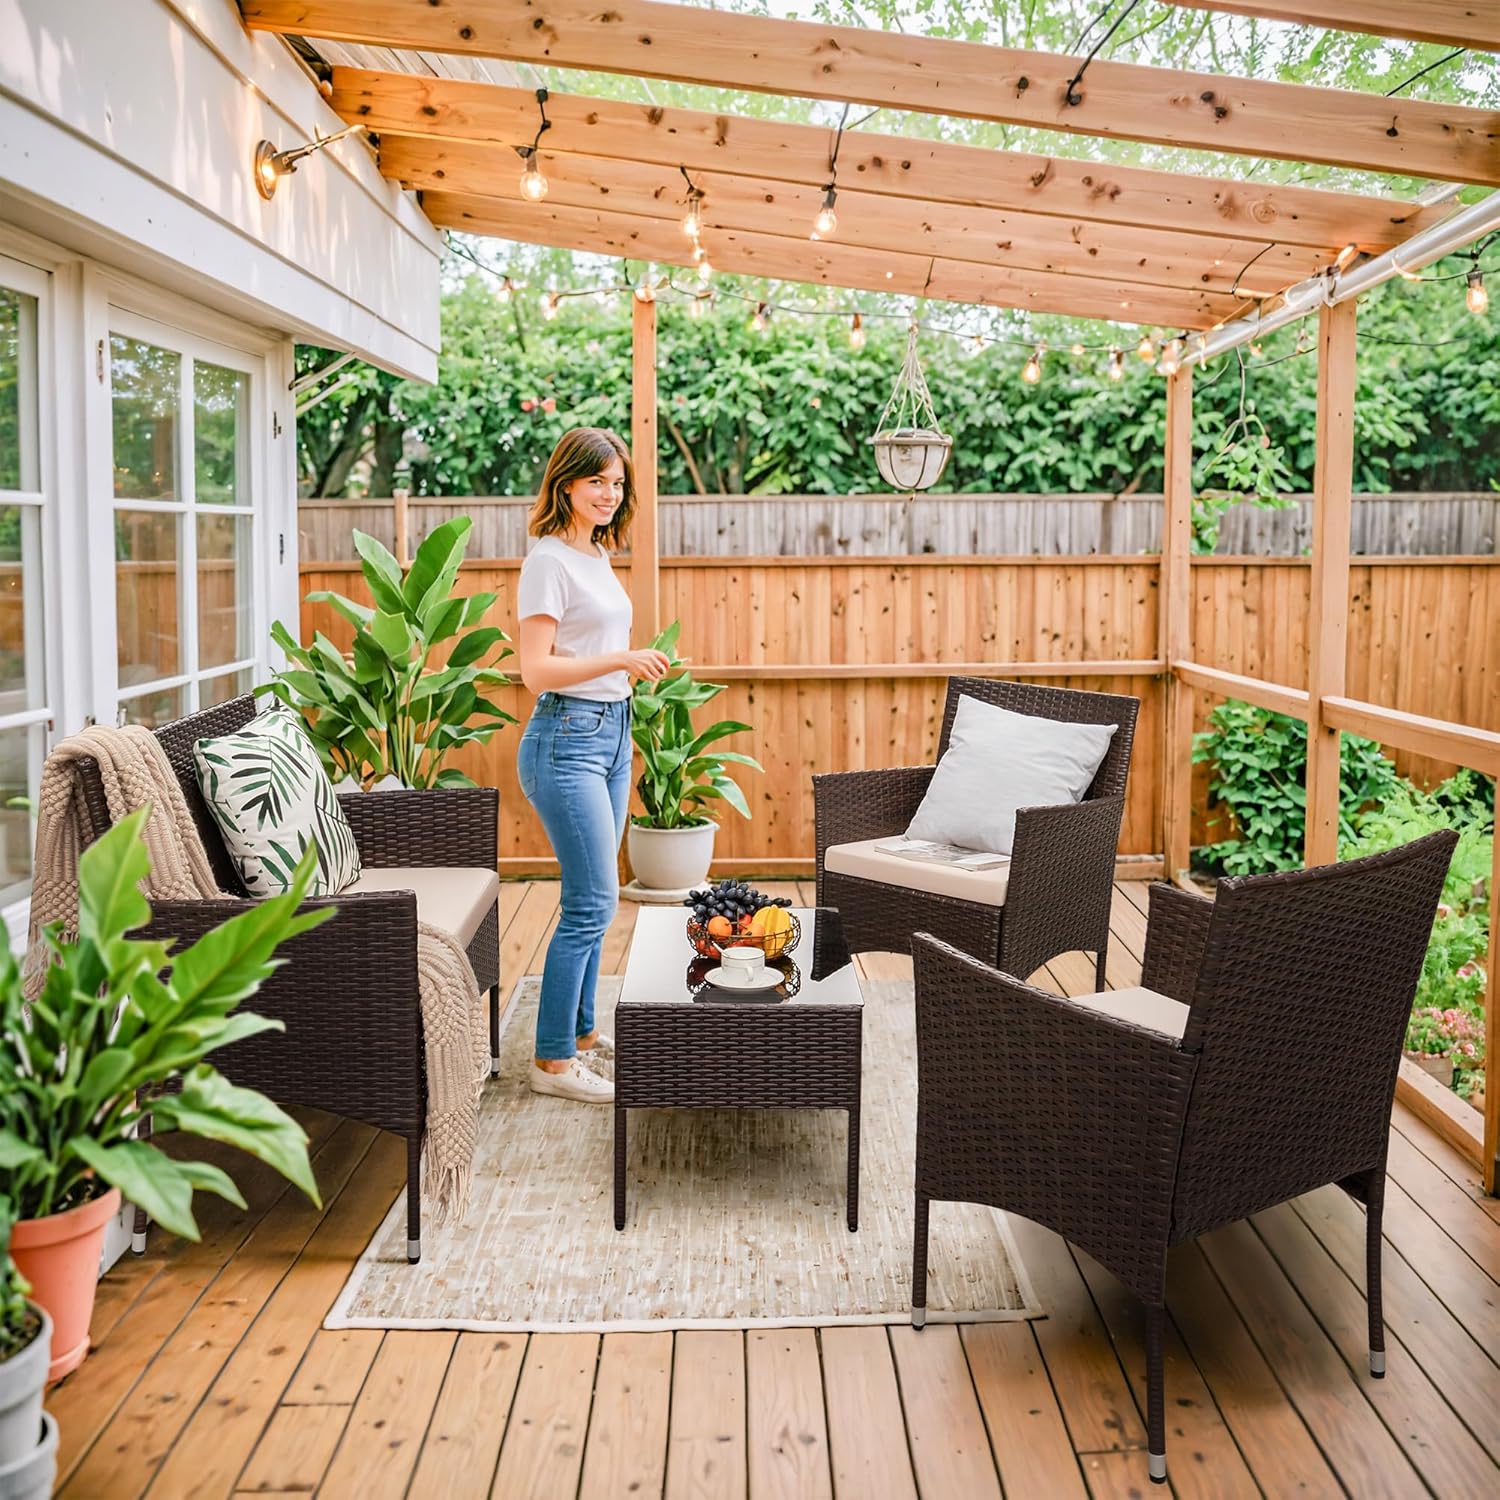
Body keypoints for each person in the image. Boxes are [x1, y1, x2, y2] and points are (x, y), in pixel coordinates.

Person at [515, 427, 670, 1102]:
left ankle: (579, 1036)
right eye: (596, 481)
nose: (609, 494)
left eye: (616, 483)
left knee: (595, 902)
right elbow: (534, 671)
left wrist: (622, 681)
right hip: (566, 739)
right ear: (566, 484)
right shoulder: (547, 560)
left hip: (610, 735)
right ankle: (550, 1062)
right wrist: (620, 661)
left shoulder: (596, 555)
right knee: (591, 902)